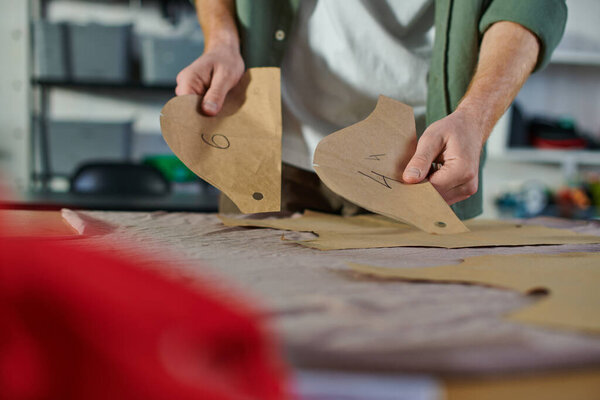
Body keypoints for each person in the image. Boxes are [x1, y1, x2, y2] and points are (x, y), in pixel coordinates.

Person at [175, 0, 567, 219]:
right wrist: (221, 40)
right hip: (273, 152)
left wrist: (475, 117)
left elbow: (530, 5)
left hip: (417, 167)